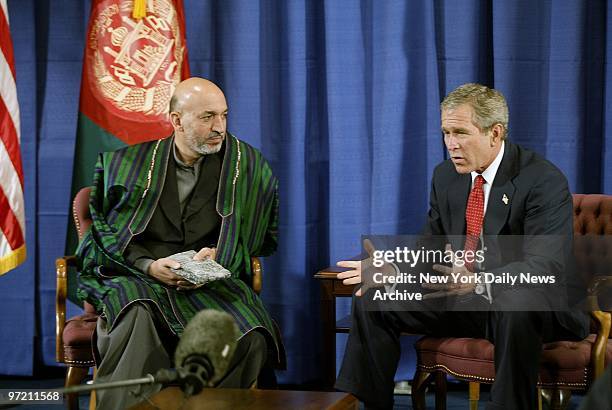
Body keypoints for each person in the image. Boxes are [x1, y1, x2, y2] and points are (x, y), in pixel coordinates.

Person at [334, 83, 589, 409]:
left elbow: (544, 266)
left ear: (495, 133)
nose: (451, 145)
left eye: (461, 133)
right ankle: (368, 404)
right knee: (376, 296)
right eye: (445, 133)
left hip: (534, 304)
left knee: (516, 301)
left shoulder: (542, 180)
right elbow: (432, 245)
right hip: (465, 300)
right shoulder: (446, 176)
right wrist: (394, 267)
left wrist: (480, 280)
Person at [76, 77, 284, 409]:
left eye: (224, 115)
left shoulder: (246, 165)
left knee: (249, 331)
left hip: (208, 281)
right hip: (139, 276)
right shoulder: (125, 165)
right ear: (176, 120)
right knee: (135, 312)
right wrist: (150, 266)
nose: (220, 127)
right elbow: (104, 237)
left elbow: (258, 239)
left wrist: (220, 254)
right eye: (207, 117)